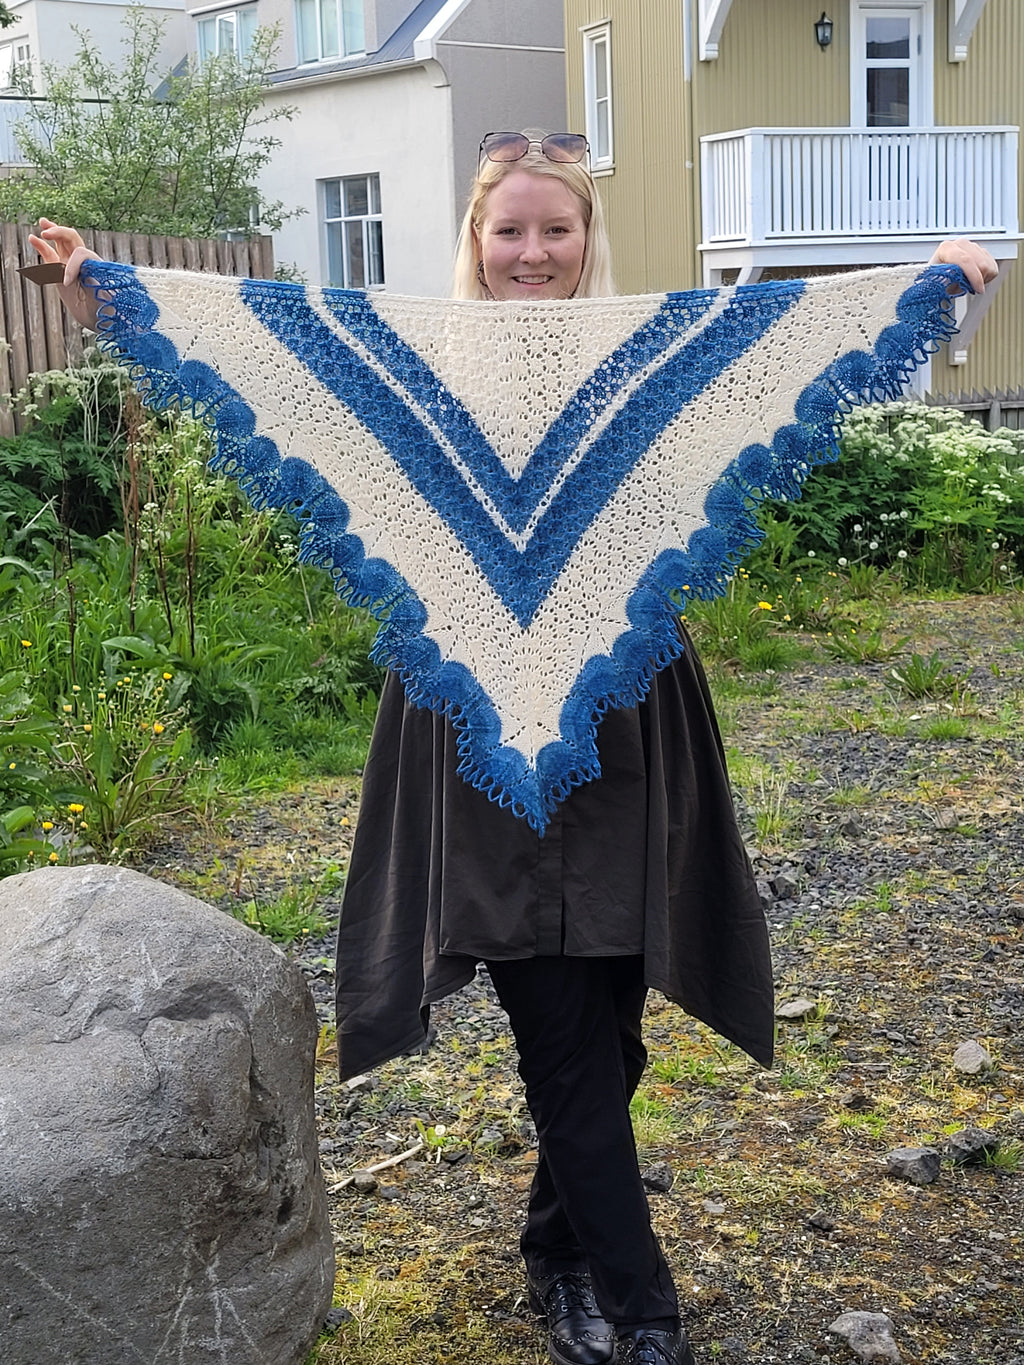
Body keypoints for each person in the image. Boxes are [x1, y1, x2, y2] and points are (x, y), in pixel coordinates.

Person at [33, 144, 997, 1365]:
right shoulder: (409, 353)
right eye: (508, 234)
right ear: (475, 240)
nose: (532, 254)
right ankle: (641, 1309)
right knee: (558, 1023)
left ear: (587, 235)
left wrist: (930, 281)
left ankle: (555, 1249)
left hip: (629, 709)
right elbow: (256, 340)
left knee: (616, 1021)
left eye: (554, 232)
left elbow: (797, 330)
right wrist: (106, 290)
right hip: (466, 721)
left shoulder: (653, 352)